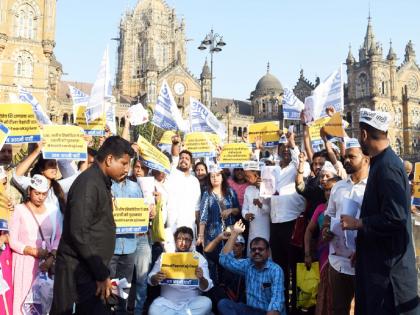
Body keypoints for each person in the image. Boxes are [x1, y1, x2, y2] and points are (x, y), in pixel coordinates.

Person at [341, 108, 419, 315]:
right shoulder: (382, 163)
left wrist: (358, 223)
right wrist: (364, 248)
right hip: (378, 264)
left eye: (359, 134)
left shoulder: (387, 167)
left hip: (389, 276)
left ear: (364, 134)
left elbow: (395, 218)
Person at [51, 136, 135, 315]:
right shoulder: (89, 183)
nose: (127, 169)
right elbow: (79, 231)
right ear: (110, 159)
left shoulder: (101, 181)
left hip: (90, 271)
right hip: (77, 272)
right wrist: (100, 272)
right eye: (124, 163)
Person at [321, 138, 369, 315]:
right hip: (338, 261)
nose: (346, 160)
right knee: (338, 308)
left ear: (366, 159)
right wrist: (326, 229)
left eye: (351, 156)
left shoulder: (373, 187)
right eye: (344, 157)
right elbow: (329, 214)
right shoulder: (338, 187)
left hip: (363, 261)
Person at [9, 174, 62, 314]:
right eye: (37, 193)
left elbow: (58, 237)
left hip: (47, 264)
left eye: (44, 194)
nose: (40, 197)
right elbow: (13, 240)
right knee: (24, 302)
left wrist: (51, 258)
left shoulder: (53, 210)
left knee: (45, 302)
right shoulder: (19, 210)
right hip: (25, 264)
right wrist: (32, 251)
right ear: (29, 191)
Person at [270, 131, 309, 311]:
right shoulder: (272, 169)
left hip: (292, 223)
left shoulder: (298, 167)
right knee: (279, 268)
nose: (285, 151)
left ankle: (297, 306)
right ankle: (282, 304)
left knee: (294, 266)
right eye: (282, 148)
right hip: (275, 223)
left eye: (288, 149)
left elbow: (302, 166)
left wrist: (293, 143)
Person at [218, 220, 286, 315]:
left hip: (268, 312)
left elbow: (277, 300)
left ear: (268, 253)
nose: (257, 252)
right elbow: (224, 260)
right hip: (250, 310)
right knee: (223, 304)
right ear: (250, 253)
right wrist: (235, 233)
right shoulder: (248, 264)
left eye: (261, 249)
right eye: (253, 250)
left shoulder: (275, 270)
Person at [147, 226, 213, 315]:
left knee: (207, 303)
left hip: (191, 303)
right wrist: (156, 277)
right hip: (167, 302)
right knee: (153, 310)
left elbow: (207, 287)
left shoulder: (199, 258)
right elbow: (150, 279)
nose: (183, 243)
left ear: (192, 241)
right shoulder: (165, 256)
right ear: (175, 240)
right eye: (180, 239)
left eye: (187, 239)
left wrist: (201, 278)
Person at [109, 167, 143, 315]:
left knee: (124, 286)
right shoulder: (106, 185)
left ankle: (121, 311)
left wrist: (149, 212)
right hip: (110, 246)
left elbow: (142, 212)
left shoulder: (135, 187)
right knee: (108, 285)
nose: (124, 168)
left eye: (127, 164)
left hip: (129, 245)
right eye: (121, 164)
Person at [198, 165, 239, 282]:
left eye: (217, 175)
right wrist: (201, 236)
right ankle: (214, 297)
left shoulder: (230, 192)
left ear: (222, 177)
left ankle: (228, 295)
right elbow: (203, 217)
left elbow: (238, 210)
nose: (215, 178)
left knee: (228, 267)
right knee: (212, 268)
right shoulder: (207, 194)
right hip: (212, 237)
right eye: (212, 176)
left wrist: (230, 210)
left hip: (230, 236)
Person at [165, 150, 201, 250]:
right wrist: (175, 143)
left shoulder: (195, 181)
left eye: (187, 159)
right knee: (171, 254)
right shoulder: (171, 176)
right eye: (181, 158)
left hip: (189, 223)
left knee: (189, 257)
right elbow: (174, 153)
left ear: (191, 164)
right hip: (172, 223)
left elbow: (197, 208)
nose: (183, 160)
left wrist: (200, 232)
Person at [242, 165, 270, 256]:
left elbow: (271, 210)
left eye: (248, 176)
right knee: (252, 253)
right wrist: (246, 215)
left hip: (265, 228)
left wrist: (260, 205)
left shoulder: (267, 188)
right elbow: (244, 208)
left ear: (257, 175)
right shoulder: (248, 189)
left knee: (264, 252)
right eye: (245, 176)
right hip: (253, 229)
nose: (246, 179)